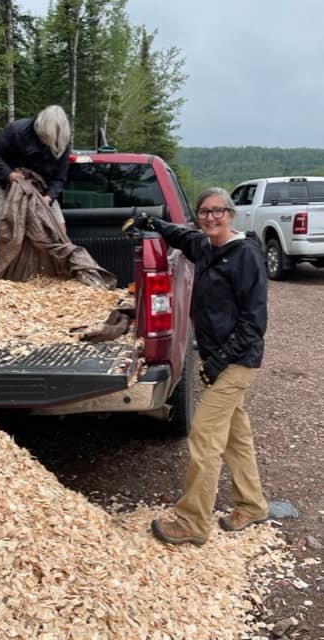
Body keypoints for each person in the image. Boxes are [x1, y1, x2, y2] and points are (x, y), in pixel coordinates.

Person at [135, 187, 269, 546]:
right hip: (218, 360)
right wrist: (152, 223)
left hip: (236, 361)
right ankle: (252, 505)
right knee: (236, 435)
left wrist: (218, 362)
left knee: (204, 436)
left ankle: (192, 523)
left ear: (231, 214)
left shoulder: (245, 256)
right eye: (204, 212)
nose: (211, 217)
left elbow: (254, 323)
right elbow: (181, 236)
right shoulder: (205, 246)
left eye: (218, 211)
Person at [0, 105, 71, 231]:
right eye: (46, 137)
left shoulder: (62, 144)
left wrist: (48, 198)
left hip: (42, 189)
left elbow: (59, 178)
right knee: (9, 230)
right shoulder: (16, 130)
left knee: (59, 229)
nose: (48, 143)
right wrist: (9, 174)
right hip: (7, 184)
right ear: (40, 128)